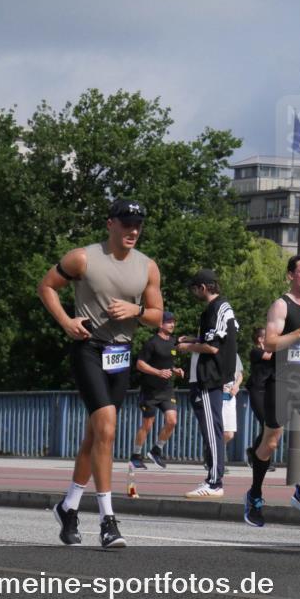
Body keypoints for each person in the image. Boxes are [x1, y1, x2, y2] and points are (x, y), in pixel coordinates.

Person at [38, 198, 163, 548]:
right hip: (88, 349)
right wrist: (65, 321)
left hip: (120, 355)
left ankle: (68, 507)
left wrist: (135, 310)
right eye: (126, 224)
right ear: (110, 224)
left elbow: (157, 315)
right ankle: (108, 520)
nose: (133, 230)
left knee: (96, 437)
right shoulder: (83, 258)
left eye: (138, 224)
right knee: (107, 426)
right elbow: (46, 286)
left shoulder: (148, 267)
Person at [243, 254, 300, 527]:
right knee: (270, 442)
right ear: (290, 275)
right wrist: (299, 332)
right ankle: (255, 494)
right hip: (281, 382)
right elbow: (269, 343)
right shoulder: (281, 306)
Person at [179, 269, 239, 498]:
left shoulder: (214, 309)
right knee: (213, 429)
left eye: (194, 289)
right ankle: (214, 479)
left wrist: (187, 347)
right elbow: (218, 340)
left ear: (203, 287)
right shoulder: (225, 308)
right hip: (217, 376)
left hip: (208, 376)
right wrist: (193, 339)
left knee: (212, 430)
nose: (194, 293)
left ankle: (214, 482)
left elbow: (213, 347)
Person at [131, 311, 184, 470]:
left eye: (173, 321)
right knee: (148, 424)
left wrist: (175, 370)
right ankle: (136, 456)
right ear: (161, 324)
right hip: (150, 391)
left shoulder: (173, 342)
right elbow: (140, 364)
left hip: (167, 390)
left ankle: (156, 451)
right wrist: (158, 372)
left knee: (172, 421)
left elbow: (167, 364)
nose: (172, 324)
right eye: (169, 322)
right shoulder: (151, 343)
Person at [245, 327, 277, 472]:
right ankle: (259, 456)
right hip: (257, 390)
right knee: (266, 423)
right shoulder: (256, 351)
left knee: (271, 426)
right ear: (260, 339)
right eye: (268, 336)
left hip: (269, 391)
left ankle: (256, 453)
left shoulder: (272, 352)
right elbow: (270, 357)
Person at [222, 354, 244, 448]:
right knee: (218, 430)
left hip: (230, 397)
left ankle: (212, 451)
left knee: (229, 434)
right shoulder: (214, 350)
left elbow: (240, 374)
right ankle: (214, 456)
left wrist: (237, 385)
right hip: (216, 396)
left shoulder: (234, 354)